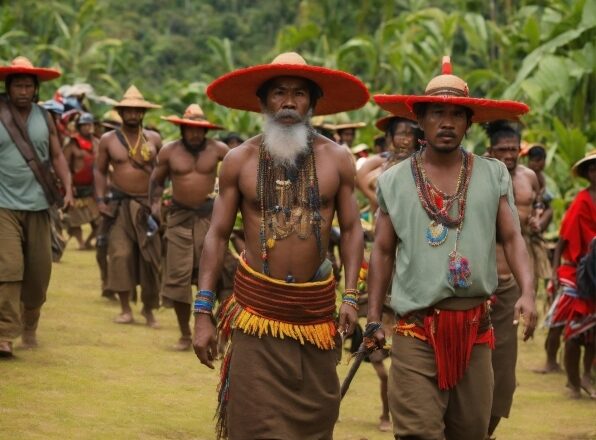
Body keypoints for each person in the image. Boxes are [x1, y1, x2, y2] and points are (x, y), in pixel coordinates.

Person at [193, 52, 369, 439]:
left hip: (315, 314)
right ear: (263, 101)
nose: (289, 102)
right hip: (257, 311)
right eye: (279, 93)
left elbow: (353, 228)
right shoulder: (239, 160)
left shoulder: (337, 158)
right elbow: (217, 235)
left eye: (299, 94)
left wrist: (352, 297)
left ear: (313, 103)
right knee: (252, 421)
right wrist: (202, 311)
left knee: (318, 418)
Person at [366, 56, 537, 439]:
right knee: (417, 431)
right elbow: (381, 251)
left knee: (471, 430)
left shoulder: (492, 174)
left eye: (457, 114)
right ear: (421, 120)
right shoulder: (393, 180)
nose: (447, 122)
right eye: (438, 113)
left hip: (475, 329)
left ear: (469, 122)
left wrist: (528, 292)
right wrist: (374, 318)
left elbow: (512, 237)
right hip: (415, 329)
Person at [0, 56, 73, 357]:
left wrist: (67, 188)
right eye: (17, 84)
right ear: (8, 87)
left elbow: (56, 157)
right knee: (8, 270)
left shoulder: (45, 118)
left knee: (39, 274)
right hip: (3, 205)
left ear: (35, 89)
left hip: (39, 205)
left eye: (28, 85)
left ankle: (30, 325)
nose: (22, 90)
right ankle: (4, 335)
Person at [149, 104, 237, 351]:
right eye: (190, 129)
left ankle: (219, 333)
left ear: (206, 130)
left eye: (200, 130)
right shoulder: (169, 152)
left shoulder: (219, 150)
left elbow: (241, 170)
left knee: (219, 276)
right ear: (182, 128)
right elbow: (155, 182)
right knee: (179, 277)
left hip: (210, 219)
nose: (195, 134)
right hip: (178, 219)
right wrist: (154, 206)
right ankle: (185, 334)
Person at [354, 114, 421, 432]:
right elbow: (361, 175)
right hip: (383, 245)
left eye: (411, 133)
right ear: (391, 137)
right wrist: (378, 197)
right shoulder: (384, 168)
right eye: (400, 134)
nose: (405, 139)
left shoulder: (422, 166)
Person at [485, 120, 542, 437]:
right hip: (477, 285)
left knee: (503, 374)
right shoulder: (477, 175)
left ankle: (486, 432)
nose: (508, 155)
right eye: (501, 150)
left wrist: (537, 218)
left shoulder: (528, 177)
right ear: (490, 150)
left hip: (511, 284)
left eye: (513, 149)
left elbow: (539, 202)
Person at [94, 85, 162, 327]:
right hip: (119, 205)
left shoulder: (154, 139)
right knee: (120, 255)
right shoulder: (107, 140)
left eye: (137, 110)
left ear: (142, 113)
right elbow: (100, 171)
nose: (133, 114)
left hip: (145, 207)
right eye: (128, 110)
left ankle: (148, 309)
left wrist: (158, 200)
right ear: (121, 113)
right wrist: (101, 200)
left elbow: (162, 172)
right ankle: (125, 309)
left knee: (149, 258)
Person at [547, 150, 596, 399]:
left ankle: (587, 375)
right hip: (577, 270)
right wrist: (555, 273)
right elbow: (565, 238)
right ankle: (572, 381)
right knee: (573, 329)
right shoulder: (581, 202)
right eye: (593, 168)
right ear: (588, 174)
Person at [63, 112, 100, 250]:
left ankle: (89, 241)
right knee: (74, 219)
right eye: (84, 125)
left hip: (93, 187)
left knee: (99, 219)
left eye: (89, 124)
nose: (87, 127)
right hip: (76, 187)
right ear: (79, 127)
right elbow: (65, 166)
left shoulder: (98, 143)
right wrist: (68, 186)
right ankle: (80, 242)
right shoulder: (72, 143)